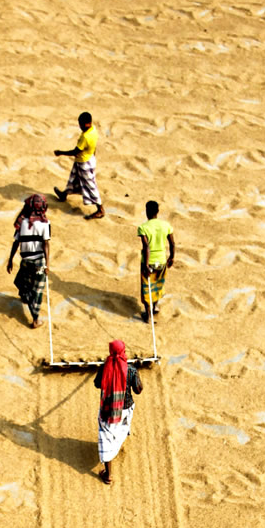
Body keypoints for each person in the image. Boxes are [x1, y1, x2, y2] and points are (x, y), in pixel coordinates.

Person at [93, 339, 143, 484]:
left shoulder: (104, 368)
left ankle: (108, 475)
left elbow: (97, 384)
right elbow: (138, 390)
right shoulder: (131, 370)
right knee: (123, 426)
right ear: (123, 352)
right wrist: (136, 374)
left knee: (106, 436)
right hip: (126, 407)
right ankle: (120, 440)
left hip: (109, 409)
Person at [7, 193, 50, 327]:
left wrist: (10, 260)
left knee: (23, 281)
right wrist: (47, 264)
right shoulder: (45, 223)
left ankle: (25, 298)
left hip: (25, 261)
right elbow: (46, 244)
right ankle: (35, 319)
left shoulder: (22, 222)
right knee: (37, 290)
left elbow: (16, 243)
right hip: (39, 262)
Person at [54, 110, 105, 220]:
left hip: (84, 163)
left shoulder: (85, 137)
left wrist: (61, 152)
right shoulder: (93, 130)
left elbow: (75, 151)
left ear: (86, 124)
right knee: (73, 179)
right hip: (88, 159)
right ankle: (64, 195)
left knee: (91, 186)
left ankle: (100, 210)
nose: (80, 127)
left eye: (81, 124)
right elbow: (94, 146)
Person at [137, 199, 175, 322]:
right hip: (162, 260)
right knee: (158, 284)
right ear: (157, 212)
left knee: (147, 287)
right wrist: (172, 257)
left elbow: (146, 247)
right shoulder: (166, 225)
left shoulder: (143, 227)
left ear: (147, 211)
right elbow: (172, 243)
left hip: (149, 261)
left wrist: (146, 265)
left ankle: (148, 315)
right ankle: (155, 307)